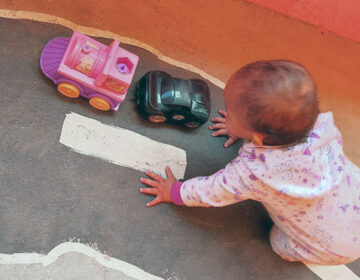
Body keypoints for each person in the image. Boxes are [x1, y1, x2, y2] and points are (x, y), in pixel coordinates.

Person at [139, 60, 360, 265]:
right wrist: (242, 129)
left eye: (232, 116)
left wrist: (174, 191)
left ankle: (294, 248)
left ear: (258, 138)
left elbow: (212, 191)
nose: (228, 115)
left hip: (330, 247)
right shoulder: (323, 127)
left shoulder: (255, 172)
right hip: (353, 205)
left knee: (278, 241)